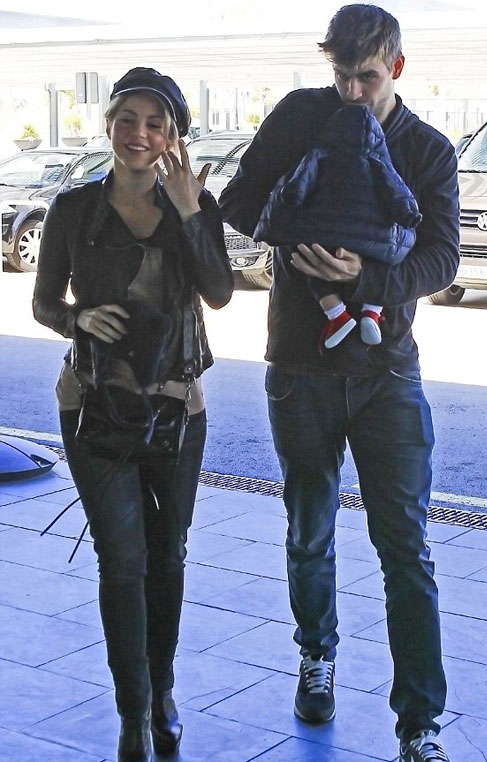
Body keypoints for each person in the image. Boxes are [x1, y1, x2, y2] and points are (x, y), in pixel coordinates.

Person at [220, 5, 459, 761]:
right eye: (341, 75)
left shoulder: (426, 149)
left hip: (388, 372)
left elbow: (443, 259)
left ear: (397, 68)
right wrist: (304, 230)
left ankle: (419, 724)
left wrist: (368, 274)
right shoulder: (300, 116)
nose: (352, 92)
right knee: (309, 532)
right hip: (301, 364)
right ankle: (315, 657)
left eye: (367, 76)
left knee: (406, 550)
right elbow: (239, 201)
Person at [33, 67, 233, 762]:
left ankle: (162, 693)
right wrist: (77, 318)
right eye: (127, 119)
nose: (138, 134)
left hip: (177, 410)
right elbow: (44, 303)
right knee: (122, 562)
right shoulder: (73, 209)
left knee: (167, 556)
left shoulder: (195, 205)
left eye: (155, 123)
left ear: (173, 136)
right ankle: (132, 713)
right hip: (93, 406)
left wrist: (190, 211)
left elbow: (219, 292)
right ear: (109, 125)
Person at [254, 103, 422, 350]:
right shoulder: (377, 158)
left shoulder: (320, 152)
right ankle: (371, 312)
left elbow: (297, 184)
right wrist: (410, 215)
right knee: (383, 259)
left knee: (313, 263)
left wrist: (281, 213)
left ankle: (336, 313)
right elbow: (397, 190)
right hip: (371, 234)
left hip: (325, 229)